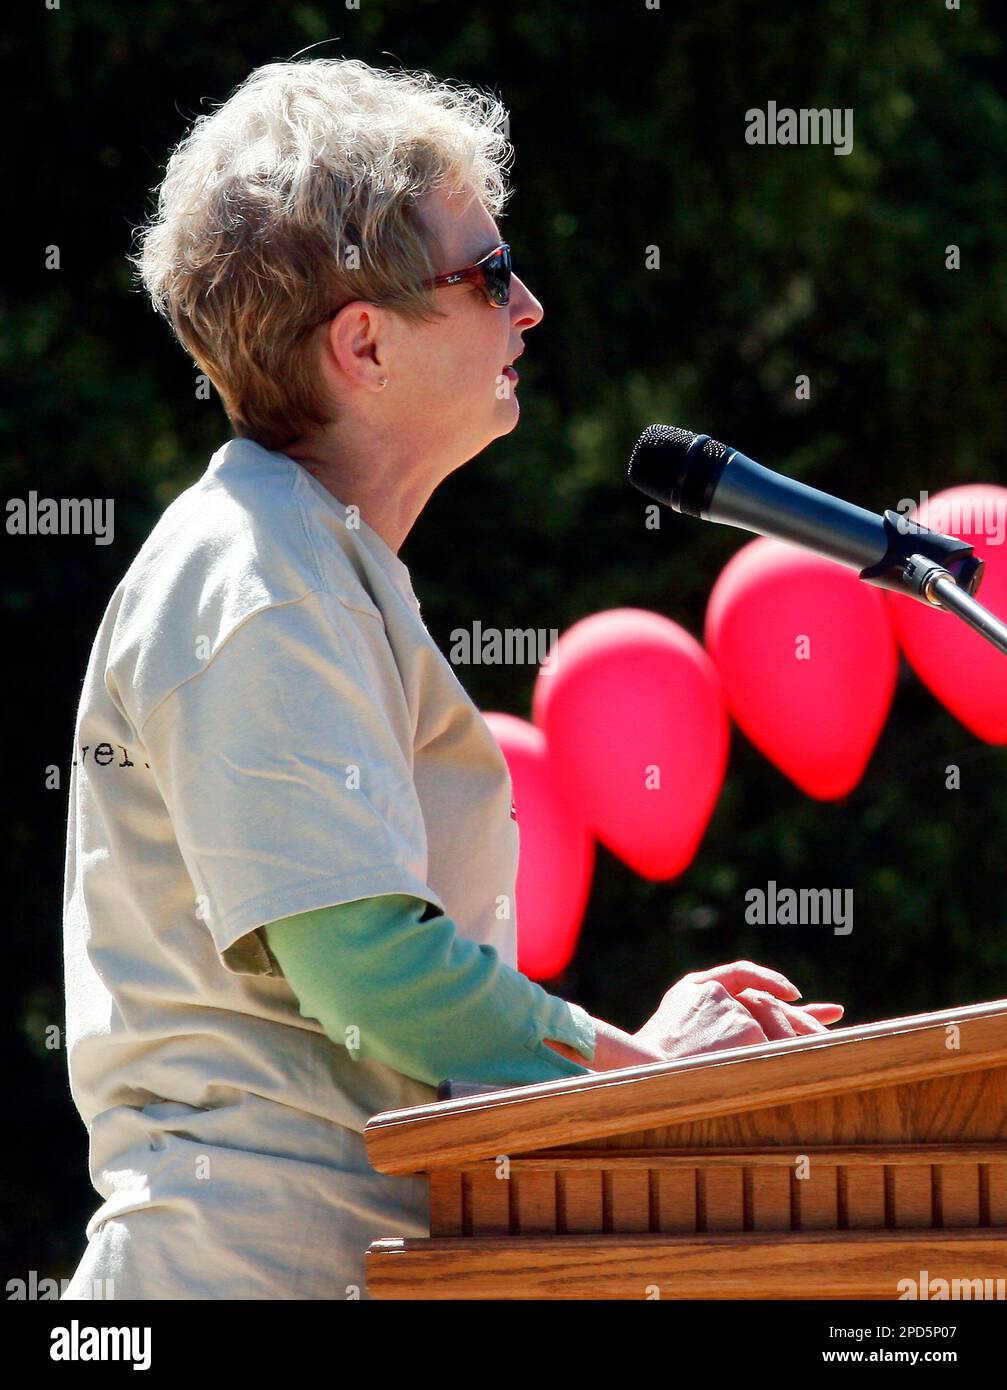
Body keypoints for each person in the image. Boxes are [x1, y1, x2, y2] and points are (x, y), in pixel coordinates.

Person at [61, 57, 842, 1301]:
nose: (527, 305)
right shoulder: (259, 577)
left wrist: (629, 1063)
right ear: (362, 343)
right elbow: (364, 967)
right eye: (486, 274)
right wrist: (640, 1069)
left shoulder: (303, 556)